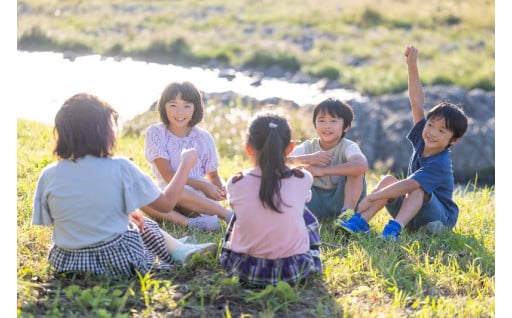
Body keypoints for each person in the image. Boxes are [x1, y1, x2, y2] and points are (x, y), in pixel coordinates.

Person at [32, 93, 218, 278]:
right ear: (104, 132)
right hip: (116, 260)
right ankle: (181, 250)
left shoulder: (48, 174)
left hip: (66, 261)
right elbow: (167, 204)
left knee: (133, 219)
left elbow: (55, 219)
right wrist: (186, 164)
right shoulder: (120, 167)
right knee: (144, 226)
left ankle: (180, 248)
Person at [336, 45, 469, 240]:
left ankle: (393, 230)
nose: (431, 132)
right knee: (388, 180)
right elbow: (416, 103)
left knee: (417, 187)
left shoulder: (439, 164)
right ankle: (360, 222)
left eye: (442, 131)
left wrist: (371, 197)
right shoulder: (422, 138)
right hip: (413, 216)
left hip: (439, 221)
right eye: (431, 125)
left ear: (454, 139)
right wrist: (412, 65)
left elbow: (410, 185)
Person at [220, 111, 323, 287]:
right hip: (293, 270)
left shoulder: (237, 182)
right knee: (303, 213)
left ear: (248, 148)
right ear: (290, 148)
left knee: (239, 214)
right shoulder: (302, 178)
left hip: (245, 269)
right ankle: (314, 256)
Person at [143, 81, 233, 231]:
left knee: (177, 192)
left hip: (198, 200)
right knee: (143, 195)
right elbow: (167, 176)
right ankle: (195, 224)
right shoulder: (155, 133)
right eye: (173, 105)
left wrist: (223, 193)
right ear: (163, 107)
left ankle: (228, 215)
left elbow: (213, 176)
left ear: (195, 108)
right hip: (168, 192)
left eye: (187, 106)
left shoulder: (203, 137)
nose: (180, 112)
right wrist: (203, 184)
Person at [286, 98, 368, 223]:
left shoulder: (348, 146)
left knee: (355, 170)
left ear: (346, 126)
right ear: (315, 124)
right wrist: (309, 159)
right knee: (292, 176)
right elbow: (282, 163)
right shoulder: (308, 147)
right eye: (321, 120)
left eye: (333, 121)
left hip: (342, 199)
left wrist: (323, 171)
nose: (327, 126)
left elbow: (362, 166)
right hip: (315, 201)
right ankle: (300, 215)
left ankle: (346, 215)